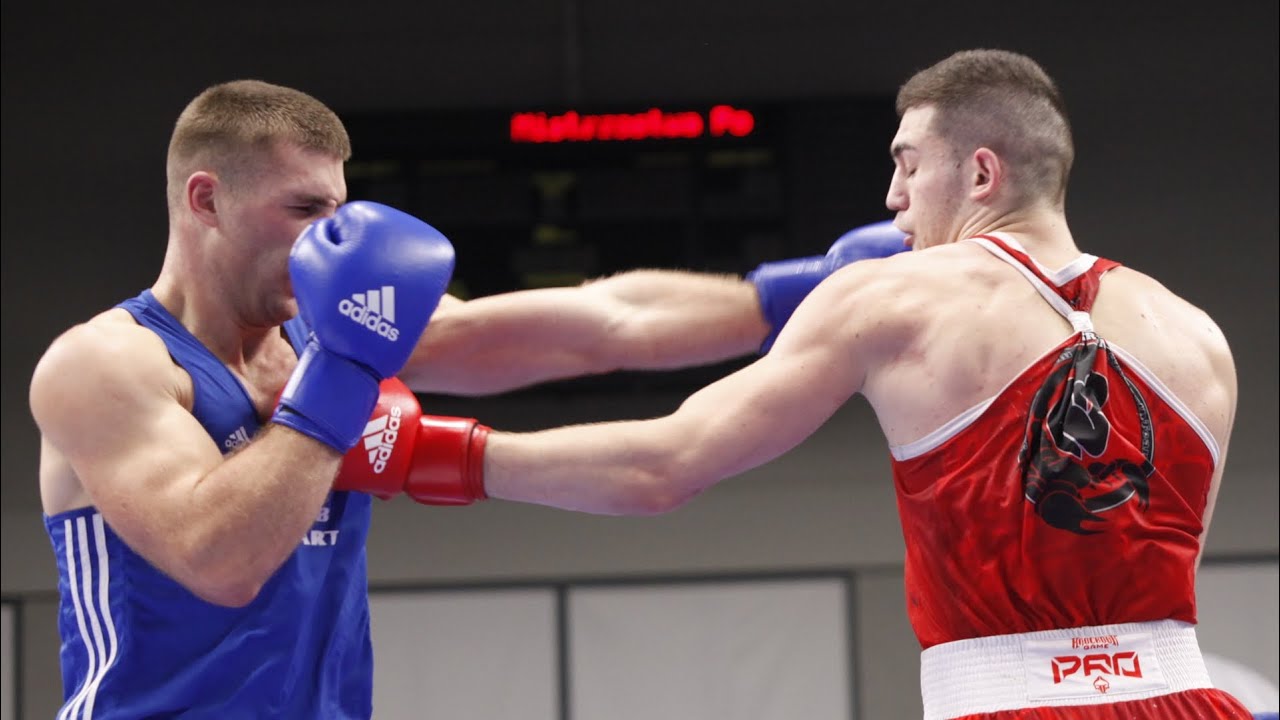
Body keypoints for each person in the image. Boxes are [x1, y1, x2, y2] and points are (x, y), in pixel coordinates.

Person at [27, 79, 905, 718]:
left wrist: (794, 292)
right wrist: (343, 369)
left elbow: (605, 321)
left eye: (337, 208)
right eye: (302, 209)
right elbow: (221, 559)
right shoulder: (107, 366)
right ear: (206, 200)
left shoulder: (320, 333)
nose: (327, 238)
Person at [465, 50, 1254, 718]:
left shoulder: (889, 295)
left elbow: (661, 466)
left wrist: (443, 459)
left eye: (907, 164)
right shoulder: (1197, 334)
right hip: (1190, 695)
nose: (892, 200)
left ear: (981, 172)